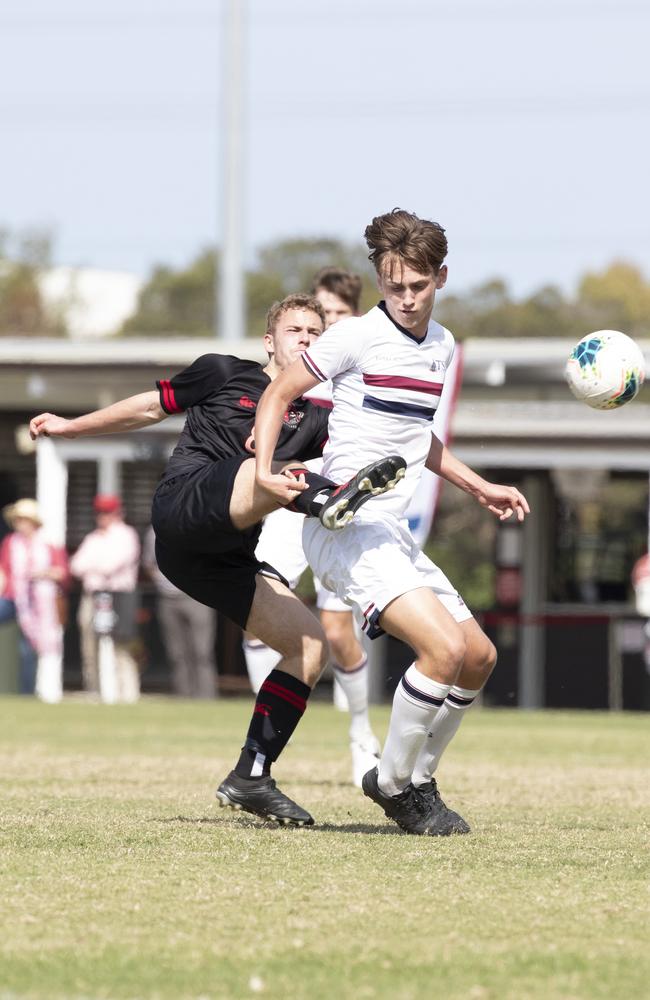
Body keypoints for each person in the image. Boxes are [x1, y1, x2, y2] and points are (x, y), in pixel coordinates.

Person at [29, 292, 404, 827]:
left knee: (311, 647)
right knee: (272, 469)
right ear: (269, 342)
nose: (306, 339)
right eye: (295, 330)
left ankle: (251, 774)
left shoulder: (324, 414)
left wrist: (477, 483)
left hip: (220, 559)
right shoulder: (224, 373)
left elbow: (410, 436)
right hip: (183, 511)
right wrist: (71, 428)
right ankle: (327, 501)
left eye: (316, 334)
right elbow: (145, 407)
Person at [253, 208, 530, 835]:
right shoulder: (353, 338)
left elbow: (417, 438)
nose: (405, 299)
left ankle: (417, 778)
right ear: (380, 280)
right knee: (443, 648)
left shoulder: (443, 346)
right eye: (393, 285)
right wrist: (269, 469)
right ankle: (393, 783)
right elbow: (277, 395)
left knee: (478, 658)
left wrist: (479, 485)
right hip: (343, 524)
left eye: (418, 285)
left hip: (391, 531)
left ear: (442, 277)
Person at [244, 267, 382, 787]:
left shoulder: (359, 359)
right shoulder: (291, 370)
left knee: (337, 632)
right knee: (262, 612)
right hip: (287, 501)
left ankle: (361, 736)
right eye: (306, 327)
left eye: (329, 322)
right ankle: (265, 746)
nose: (314, 338)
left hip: (336, 503)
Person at [69, 494, 141, 703]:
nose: (103, 516)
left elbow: (113, 565)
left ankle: (127, 693)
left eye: (107, 512)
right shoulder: (93, 538)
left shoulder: (126, 535)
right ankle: (96, 690)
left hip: (118, 596)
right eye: (100, 512)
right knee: (90, 646)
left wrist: (94, 566)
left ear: (118, 512)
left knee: (121, 645)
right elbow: (76, 565)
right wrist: (96, 567)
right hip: (93, 596)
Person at [0, 498, 69, 702]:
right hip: (14, 598)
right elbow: (4, 570)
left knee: (27, 651)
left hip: (40, 603)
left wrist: (42, 573)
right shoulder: (11, 543)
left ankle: (27, 694)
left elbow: (62, 572)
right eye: (18, 520)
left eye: (24, 519)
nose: (20, 524)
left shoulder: (48, 544)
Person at [142, 525, 218, 698]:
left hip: (198, 597)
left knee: (202, 652)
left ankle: (206, 699)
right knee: (177, 654)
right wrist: (159, 580)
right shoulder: (153, 532)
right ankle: (184, 697)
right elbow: (148, 563)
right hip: (167, 599)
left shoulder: (200, 527)